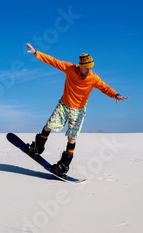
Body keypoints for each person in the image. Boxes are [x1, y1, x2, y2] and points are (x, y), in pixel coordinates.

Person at [25, 43, 129, 178]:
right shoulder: (69, 68)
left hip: (78, 111)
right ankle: (37, 148)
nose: (89, 71)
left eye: (91, 68)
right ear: (80, 66)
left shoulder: (93, 78)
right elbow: (53, 61)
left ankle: (63, 166)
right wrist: (36, 53)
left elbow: (105, 87)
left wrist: (116, 95)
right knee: (48, 126)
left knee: (71, 138)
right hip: (63, 106)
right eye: (87, 68)